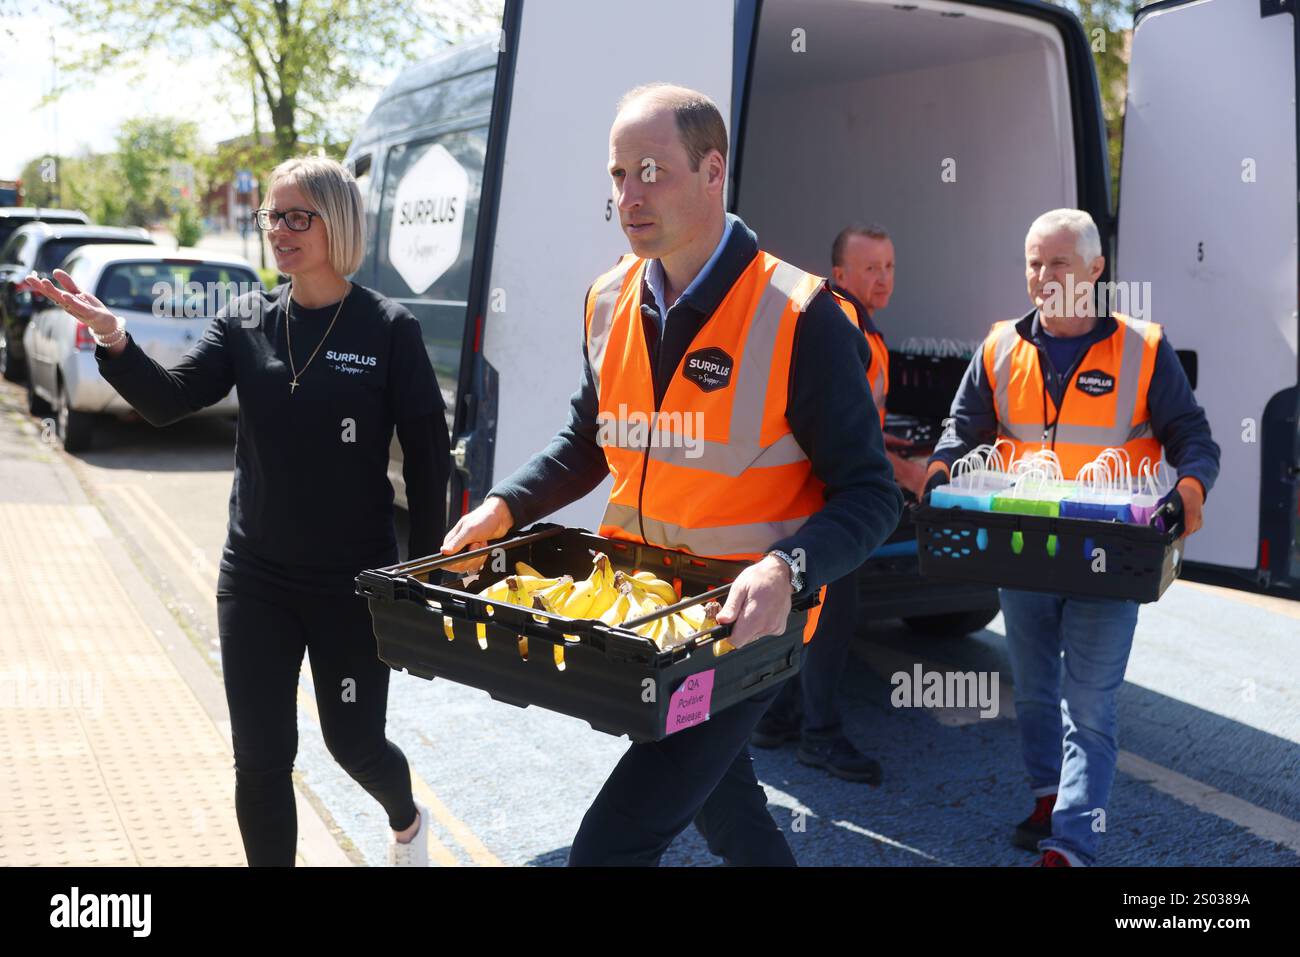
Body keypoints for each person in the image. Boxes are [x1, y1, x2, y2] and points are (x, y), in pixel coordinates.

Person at [440, 82, 902, 866]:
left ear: (714, 170)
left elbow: (872, 494)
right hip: (644, 615)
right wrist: (504, 504)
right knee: (729, 812)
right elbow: (591, 439)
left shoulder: (802, 313)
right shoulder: (609, 296)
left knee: (612, 846)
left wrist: (788, 567)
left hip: (740, 628)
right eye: (618, 175)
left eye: (651, 170)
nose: (629, 195)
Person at [18, 157, 452, 867]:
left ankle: (406, 822)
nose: (277, 230)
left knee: (354, 743)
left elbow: (430, 459)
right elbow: (168, 400)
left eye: (295, 216)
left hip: (352, 583)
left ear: (336, 222)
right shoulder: (247, 320)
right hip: (255, 579)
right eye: (270, 216)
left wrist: (424, 577)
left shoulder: (388, 329)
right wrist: (113, 338)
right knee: (261, 757)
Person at [921, 208, 1220, 866]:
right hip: (1023, 547)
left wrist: (1188, 493)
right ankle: (1045, 792)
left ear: (1094, 269)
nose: (1043, 275)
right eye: (1033, 261)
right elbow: (962, 425)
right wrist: (941, 469)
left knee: (1088, 700)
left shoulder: (1142, 347)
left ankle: (1073, 842)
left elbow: (1194, 440)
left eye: (1058, 262)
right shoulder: (1001, 345)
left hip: (1111, 553)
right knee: (1032, 688)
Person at [750, 224, 919, 782]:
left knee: (809, 620)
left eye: (890, 266)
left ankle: (777, 719)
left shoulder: (865, 332)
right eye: (870, 268)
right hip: (831, 509)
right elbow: (847, 446)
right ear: (840, 275)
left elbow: (854, 424)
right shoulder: (843, 327)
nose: (883, 277)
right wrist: (910, 474)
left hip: (822, 506)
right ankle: (819, 737)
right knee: (829, 624)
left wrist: (886, 442)